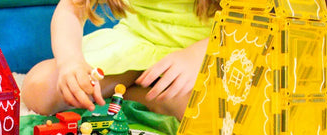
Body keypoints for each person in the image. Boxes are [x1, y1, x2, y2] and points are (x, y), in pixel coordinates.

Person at [22, 0, 221, 121]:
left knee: (205, 116)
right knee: (40, 89)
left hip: (208, 51)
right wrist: (70, 62)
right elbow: (71, 8)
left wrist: (197, 55)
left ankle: (137, 95)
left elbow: (249, 28)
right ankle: (135, 86)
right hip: (135, 44)